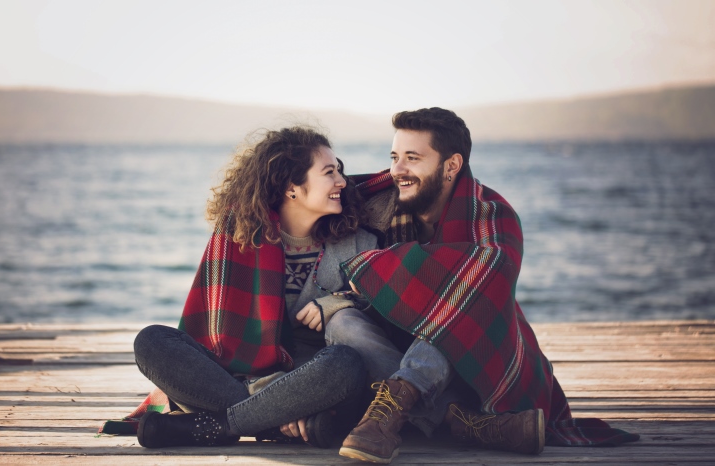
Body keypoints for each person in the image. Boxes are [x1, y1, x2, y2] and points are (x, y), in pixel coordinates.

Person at [326, 108, 639, 463]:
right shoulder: (382, 206)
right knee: (341, 322)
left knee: (455, 301)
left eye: (413, 158)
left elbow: (473, 282)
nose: (398, 170)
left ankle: (391, 410)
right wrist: (336, 299)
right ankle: (463, 423)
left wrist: (369, 268)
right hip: (408, 349)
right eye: (395, 157)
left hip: (477, 358)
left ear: (451, 165)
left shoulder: (493, 215)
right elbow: (312, 202)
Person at [100, 126, 377, 448]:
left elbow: (379, 316)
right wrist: (283, 404)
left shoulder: (359, 244)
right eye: (330, 172)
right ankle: (271, 422)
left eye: (339, 170)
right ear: (291, 187)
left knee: (345, 363)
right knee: (151, 340)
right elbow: (211, 334)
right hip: (235, 377)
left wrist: (339, 301)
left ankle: (220, 425)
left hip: (310, 379)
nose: (343, 181)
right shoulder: (240, 237)